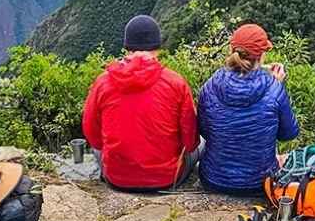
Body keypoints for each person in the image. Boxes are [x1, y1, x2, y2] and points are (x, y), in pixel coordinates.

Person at [82, 15, 198, 191]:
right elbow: (190, 142)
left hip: (117, 178)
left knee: (98, 150)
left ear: (127, 47)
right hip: (166, 179)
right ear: (158, 47)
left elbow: (92, 135)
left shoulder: (103, 82)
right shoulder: (176, 83)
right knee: (202, 144)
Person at [197, 23, 299, 195]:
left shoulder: (210, 85)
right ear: (262, 55)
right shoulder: (273, 88)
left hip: (213, 180)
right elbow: (289, 134)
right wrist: (277, 85)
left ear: (232, 50)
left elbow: (205, 132)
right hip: (259, 184)